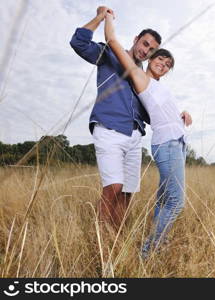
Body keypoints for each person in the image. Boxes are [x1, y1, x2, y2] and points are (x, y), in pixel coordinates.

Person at [104, 11, 192, 258]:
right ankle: (148, 251)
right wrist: (107, 16)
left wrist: (183, 113)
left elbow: (161, 112)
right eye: (160, 60)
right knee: (176, 202)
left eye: (167, 66)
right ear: (151, 57)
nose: (163, 66)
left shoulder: (158, 87)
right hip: (167, 146)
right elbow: (112, 40)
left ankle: (155, 245)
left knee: (164, 201)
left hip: (177, 143)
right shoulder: (139, 77)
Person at [69, 6, 162, 230]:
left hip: (134, 136)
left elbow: (150, 113)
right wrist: (101, 17)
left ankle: (117, 239)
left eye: (151, 50)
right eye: (145, 43)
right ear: (136, 39)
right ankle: (102, 244)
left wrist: (177, 115)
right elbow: (78, 42)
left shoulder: (143, 77)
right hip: (109, 129)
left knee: (127, 193)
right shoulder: (109, 54)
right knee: (113, 187)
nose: (146, 50)